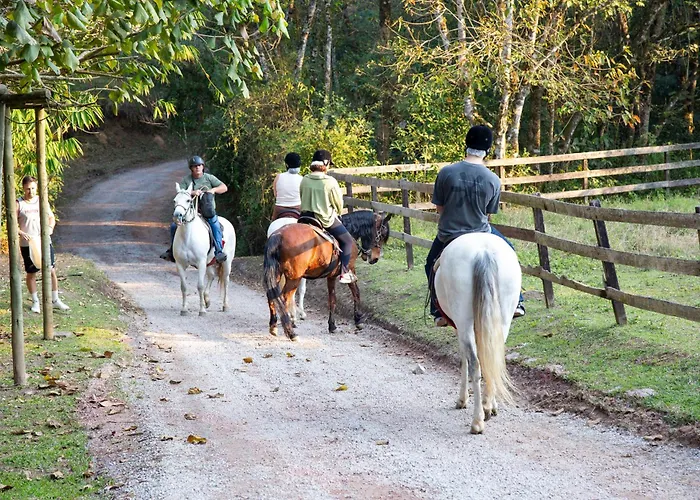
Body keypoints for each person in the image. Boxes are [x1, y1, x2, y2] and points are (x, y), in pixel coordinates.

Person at [426, 125, 525, 327]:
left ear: (466, 144)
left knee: (430, 264)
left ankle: (438, 311)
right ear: (487, 149)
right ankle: (517, 301)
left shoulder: (446, 173)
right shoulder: (493, 179)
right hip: (481, 231)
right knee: (510, 251)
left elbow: (439, 208)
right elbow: (488, 214)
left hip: (450, 234)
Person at [299, 149, 357, 284]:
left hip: (305, 218)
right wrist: (337, 211)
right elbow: (338, 204)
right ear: (325, 163)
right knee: (347, 241)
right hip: (324, 220)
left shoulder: (304, 179)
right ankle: (344, 272)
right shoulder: (330, 182)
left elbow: (301, 197)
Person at [16, 175, 70, 313]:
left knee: (51, 270)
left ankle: (55, 299)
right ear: (23, 188)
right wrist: (21, 232)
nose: (31, 192)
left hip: (43, 241)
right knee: (31, 273)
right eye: (28, 189)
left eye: (33, 188)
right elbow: (12, 224)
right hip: (28, 243)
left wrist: (50, 228)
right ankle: (35, 302)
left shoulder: (41, 201)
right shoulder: (19, 203)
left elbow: (51, 217)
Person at [160, 156, 228, 263]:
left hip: (207, 211)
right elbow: (180, 192)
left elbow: (224, 187)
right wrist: (192, 192)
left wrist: (213, 190)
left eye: (199, 165)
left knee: (215, 225)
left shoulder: (209, 178)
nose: (197, 168)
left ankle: (219, 251)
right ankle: (172, 251)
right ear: (191, 168)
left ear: (203, 166)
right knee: (174, 226)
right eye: (195, 166)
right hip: (190, 213)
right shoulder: (186, 180)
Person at [272, 152, 303, 221]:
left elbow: (275, 195)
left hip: (279, 208)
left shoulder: (278, 177)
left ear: (286, 164)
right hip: (298, 208)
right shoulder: (302, 179)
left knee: (272, 225)